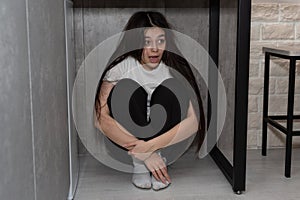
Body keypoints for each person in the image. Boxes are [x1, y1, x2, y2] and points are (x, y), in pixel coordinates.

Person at [94, 11, 205, 190]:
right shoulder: (121, 67)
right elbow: (100, 119)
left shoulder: (174, 68)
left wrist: (149, 148)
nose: (155, 48)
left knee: (171, 87)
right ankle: (140, 167)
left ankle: (158, 162)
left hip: (167, 145)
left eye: (161, 40)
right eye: (147, 42)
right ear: (136, 42)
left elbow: (193, 123)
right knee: (126, 87)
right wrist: (143, 155)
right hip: (126, 147)